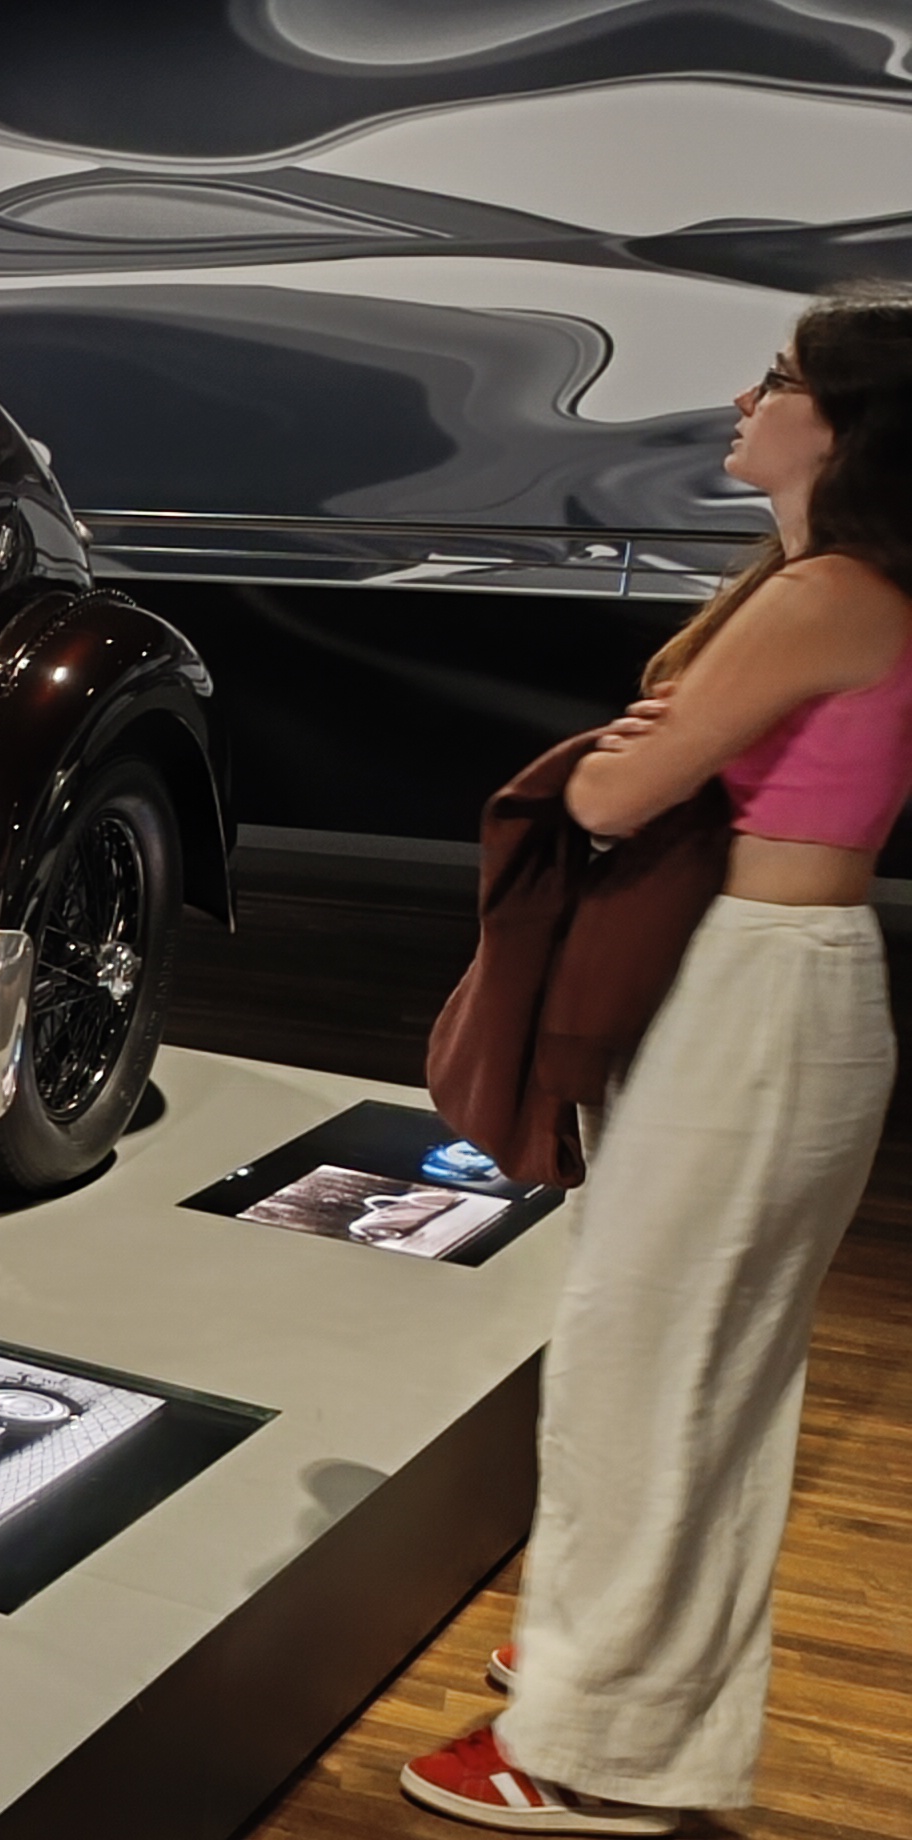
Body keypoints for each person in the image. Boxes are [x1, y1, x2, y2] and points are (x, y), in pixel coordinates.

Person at [402, 285, 912, 1834]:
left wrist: (628, 762)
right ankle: (612, 1678)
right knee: (694, 1364)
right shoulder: (840, 587)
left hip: (759, 989)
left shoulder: (827, 593)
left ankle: (594, 1753)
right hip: (775, 980)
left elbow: (617, 796)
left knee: (653, 1365)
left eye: (778, 378)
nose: (746, 401)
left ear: (850, 424)